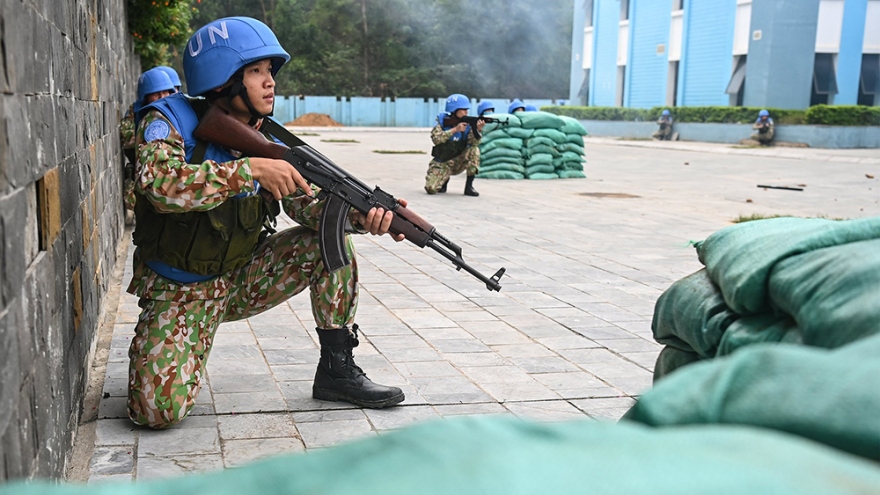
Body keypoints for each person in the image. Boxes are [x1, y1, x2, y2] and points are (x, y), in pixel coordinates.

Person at [127, 16, 407, 429]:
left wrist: (362, 216)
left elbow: (310, 208)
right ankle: (179, 344)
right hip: (181, 294)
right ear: (223, 79)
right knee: (156, 413)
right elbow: (157, 184)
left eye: (270, 71)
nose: (270, 81)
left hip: (241, 279)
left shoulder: (266, 140)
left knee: (328, 246)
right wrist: (248, 172)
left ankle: (337, 369)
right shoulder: (167, 122)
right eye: (256, 71)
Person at [120, 68, 176, 225]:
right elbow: (130, 148)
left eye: (166, 93)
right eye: (156, 94)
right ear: (145, 97)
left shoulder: (174, 110)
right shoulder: (136, 114)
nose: (162, 98)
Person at [424, 93, 484, 196]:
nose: (466, 112)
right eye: (463, 109)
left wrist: (477, 130)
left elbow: (473, 142)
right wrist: (455, 130)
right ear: (455, 109)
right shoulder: (442, 121)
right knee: (431, 189)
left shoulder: (468, 123)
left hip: (459, 161)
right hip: (443, 161)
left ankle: (469, 186)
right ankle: (443, 181)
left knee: (474, 150)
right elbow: (436, 138)